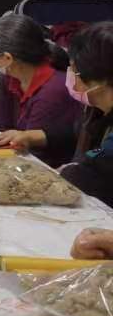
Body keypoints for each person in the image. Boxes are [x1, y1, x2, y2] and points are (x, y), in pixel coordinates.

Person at [0, 14, 81, 167]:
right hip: (17, 156)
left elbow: (38, 154)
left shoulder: (53, 90)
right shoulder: (10, 77)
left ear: (7, 58)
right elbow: (0, 125)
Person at [56, 22, 113, 207]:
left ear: (102, 80)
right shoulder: (97, 110)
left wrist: (74, 172)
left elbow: (94, 175)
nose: (71, 75)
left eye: (75, 70)